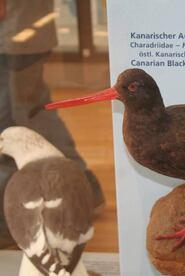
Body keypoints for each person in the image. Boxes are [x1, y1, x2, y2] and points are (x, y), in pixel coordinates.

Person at [0, 0, 105, 247]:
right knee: (36, 111)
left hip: (14, 30)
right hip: (24, 29)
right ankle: (83, 185)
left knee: (8, 119)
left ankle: (6, 217)